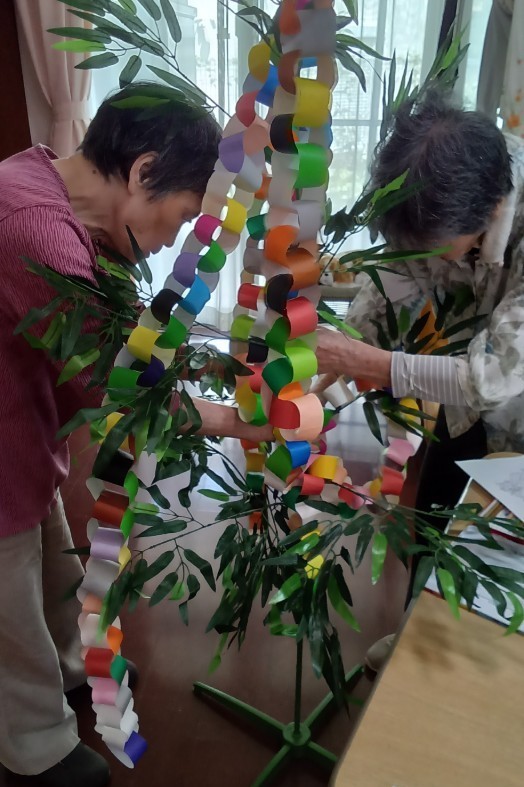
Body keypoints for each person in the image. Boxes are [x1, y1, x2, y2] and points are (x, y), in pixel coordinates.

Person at [0, 84, 272, 786]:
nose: (172, 240)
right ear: (144, 170)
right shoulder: (34, 230)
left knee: (49, 559)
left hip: (24, 434)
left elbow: (128, 345)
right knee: (9, 597)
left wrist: (223, 362)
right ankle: (37, 747)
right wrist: (241, 421)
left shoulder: (47, 187)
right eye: (178, 218)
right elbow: (122, 386)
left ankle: (70, 668)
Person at [316, 90, 524, 669]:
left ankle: (462, 676)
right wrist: (323, 372)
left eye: (439, 251)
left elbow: (491, 376)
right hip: (462, 407)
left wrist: (370, 364)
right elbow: (390, 283)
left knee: (500, 556)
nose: (430, 261)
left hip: (513, 408)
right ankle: (413, 632)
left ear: (489, 214)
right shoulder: (432, 202)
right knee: (433, 518)